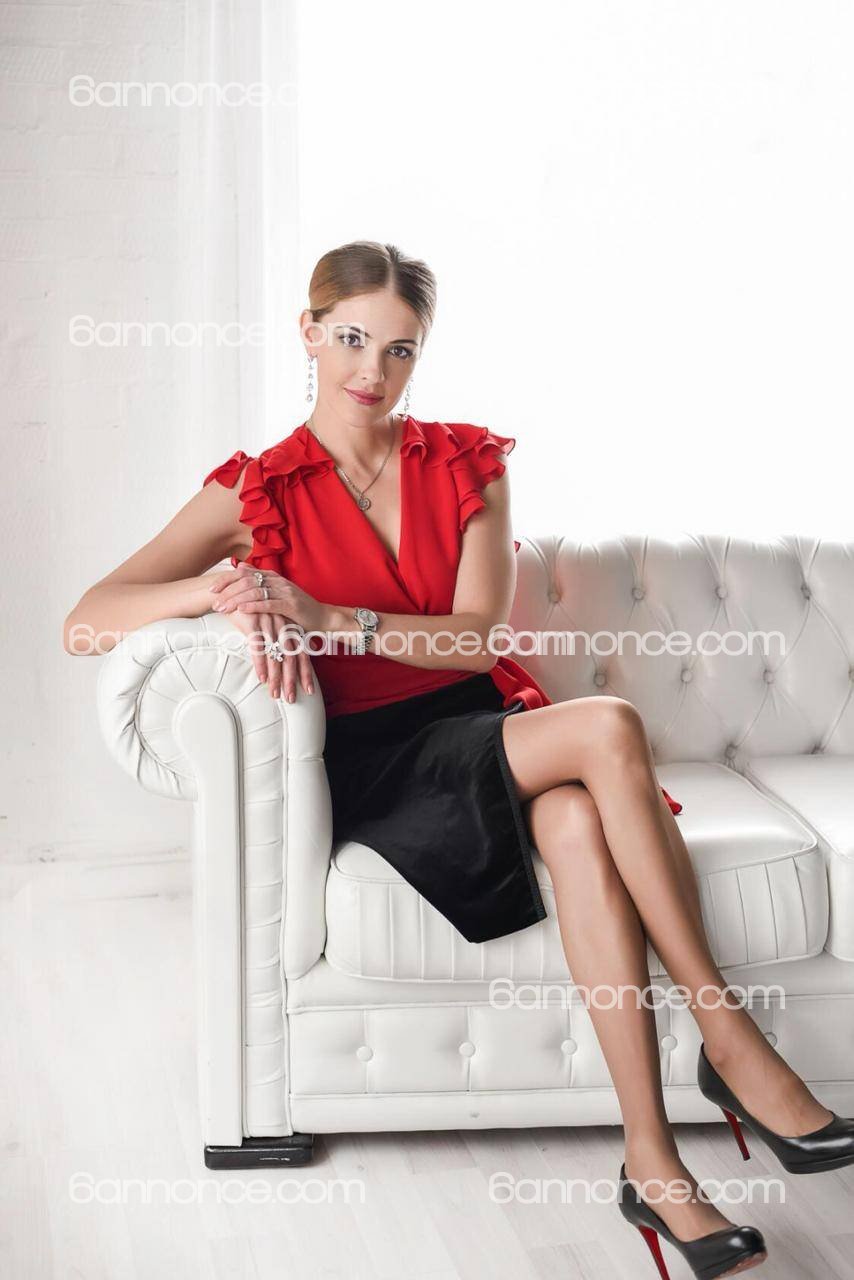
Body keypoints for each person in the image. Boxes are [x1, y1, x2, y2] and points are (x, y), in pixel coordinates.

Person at [64, 240, 853, 1280]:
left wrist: (330, 616)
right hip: (377, 762)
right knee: (608, 726)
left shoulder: (465, 462)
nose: (372, 371)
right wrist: (216, 589)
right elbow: (87, 619)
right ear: (308, 333)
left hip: (477, 721)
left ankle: (653, 1165)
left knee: (577, 819)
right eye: (352, 339)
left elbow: (476, 640)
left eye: (399, 349)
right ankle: (730, 1038)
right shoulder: (257, 489)